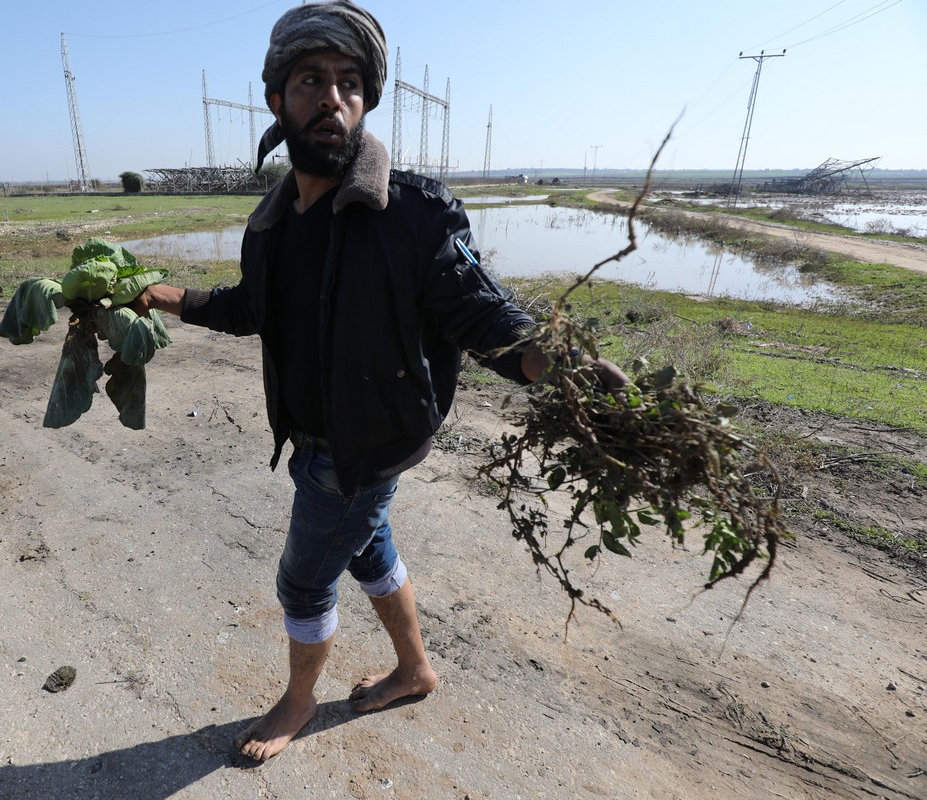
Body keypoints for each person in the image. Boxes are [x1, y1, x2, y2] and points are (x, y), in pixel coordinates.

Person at [133, 0, 627, 762]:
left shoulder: (412, 215)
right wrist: (173, 297)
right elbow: (254, 309)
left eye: (349, 83)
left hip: (364, 446)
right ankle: (415, 668)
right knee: (369, 548)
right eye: (310, 80)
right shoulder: (273, 222)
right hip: (319, 435)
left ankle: (298, 700)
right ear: (277, 99)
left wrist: (547, 361)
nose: (332, 96)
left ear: (364, 102)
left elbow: (482, 314)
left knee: (303, 584)